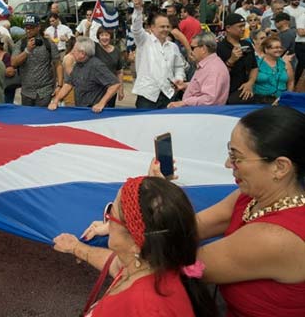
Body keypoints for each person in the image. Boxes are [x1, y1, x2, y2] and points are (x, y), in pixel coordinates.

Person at [193, 106, 305, 317]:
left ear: (280, 167)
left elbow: (179, 261)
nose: (228, 164)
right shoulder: (252, 197)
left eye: (237, 157)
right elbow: (194, 225)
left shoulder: (276, 237)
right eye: (229, 152)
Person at [53, 176, 218, 316]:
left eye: (112, 215)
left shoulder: (146, 307)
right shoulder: (151, 264)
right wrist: (76, 247)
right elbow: (115, 264)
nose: (106, 221)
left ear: (136, 243)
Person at [130, 0, 186, 109]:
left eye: (167, 26)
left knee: (167, 126)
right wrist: (138, 9)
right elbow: (136, 28)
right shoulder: (144, 41)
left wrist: (179, 78)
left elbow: (179, 66)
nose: (165, 29)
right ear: (151, 27)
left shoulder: (173, 47)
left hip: (168, 95)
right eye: (162, 27)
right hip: (147, 96)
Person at [49, 37, 120, 113]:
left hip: (94, 111)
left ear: (82, 53)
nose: (72, 53)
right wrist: (56, 100)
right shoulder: (78, 64)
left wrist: (101, 103)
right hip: (81, 109)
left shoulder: (96, 66)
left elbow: (115, 84)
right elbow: (69, 84)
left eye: (74, 50)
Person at [11, 14, 63, 107]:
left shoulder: (48, 43)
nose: (28, 30)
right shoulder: (20, 44)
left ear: (38, 27)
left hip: (45, 91)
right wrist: (27, 50)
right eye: (26, 27)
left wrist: (59, 85)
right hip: (26, 91)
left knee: (43, 118)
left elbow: (58, 64)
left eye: (31, 27)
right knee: (28, 119)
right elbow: (13, 63)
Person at [167, 32, 230, 107]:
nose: (191, 52)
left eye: (193, 48)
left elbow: (209, 99)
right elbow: (203, 86)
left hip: (203, 115)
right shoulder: (209, 65)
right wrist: (186, 85)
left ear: (203, 49)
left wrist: (184, 103)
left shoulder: (213, 69)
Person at [216, 13, 258, 104]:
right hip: (228, 93)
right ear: (228, 28)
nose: (243, 29)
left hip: (247, 91)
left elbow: (254, 67)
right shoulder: (219, 48)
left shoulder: (247, 44)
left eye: (244, 26)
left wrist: (250, 83)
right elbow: (217, 76)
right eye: (240, 26)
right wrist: (231, 61)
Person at [252, 35, 294, 103]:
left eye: (280, 47)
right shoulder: (257, 63)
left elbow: (291, 82)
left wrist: (287, 98)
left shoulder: (285, 63)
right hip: (260, 101)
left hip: (280, 101)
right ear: (266, 49)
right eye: (276, 48)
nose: (279, 50)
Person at [93, 27, 124, 107]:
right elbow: (85, 43)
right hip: (96, 88)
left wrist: (120, 89)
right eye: (101, 35)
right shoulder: (94, 48)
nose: (104, 37)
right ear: (98, 37)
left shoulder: (116, 50)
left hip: (111, 88)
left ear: (110, 36)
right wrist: (87, 29)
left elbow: (119, 72)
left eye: (106, 35)